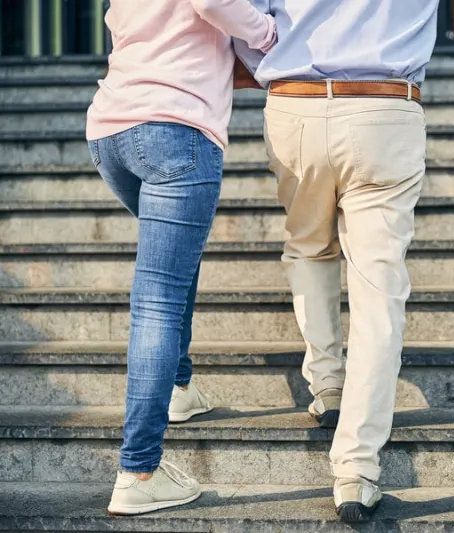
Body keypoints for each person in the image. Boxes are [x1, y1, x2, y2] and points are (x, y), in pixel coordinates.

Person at [234, 0, 454, 522]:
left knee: (308, 246)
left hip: (293, 104)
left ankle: (327, 381)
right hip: (384, 105)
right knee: (377, 290)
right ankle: (355, 470)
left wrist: (265, 57)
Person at [85, 0, 277, 516]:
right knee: (159, 300)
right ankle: (139, 471)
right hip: (176, 131)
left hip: (111, 132)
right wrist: (269, 33)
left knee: (170, 271)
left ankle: (179, 387)